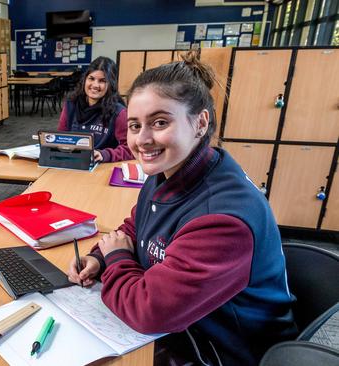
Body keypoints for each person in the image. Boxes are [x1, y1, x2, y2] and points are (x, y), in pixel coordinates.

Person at [67, 51, 297, 365]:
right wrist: (98, 257)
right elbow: (139, 225)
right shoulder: (168, 170)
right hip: (186, 327)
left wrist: (117, 257)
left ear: (200, 122)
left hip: (224, 350)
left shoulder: (224, 219)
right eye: (135, 126)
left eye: (160, 122)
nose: (143, 139)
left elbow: (149, 312)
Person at [57, 56, 133, 163]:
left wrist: (104, 154)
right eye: (91, 78)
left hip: (101, 167)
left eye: (102, 81)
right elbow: (61, 137)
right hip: (71, 162)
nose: (95, 85)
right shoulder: (71, 104)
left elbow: (131, 148)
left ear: (111, 84)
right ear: (85, 79)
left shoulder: (119, 112)